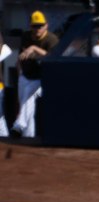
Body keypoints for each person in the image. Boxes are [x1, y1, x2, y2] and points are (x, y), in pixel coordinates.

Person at [11, 11, 59, 139]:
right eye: (35, 26)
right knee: (27, 106)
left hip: (42, 79)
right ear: (30, 26)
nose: (38, 28)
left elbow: (54, 58)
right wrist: (19, 71)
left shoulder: (51, 39)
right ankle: (28, 137)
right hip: (26, 75)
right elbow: (21, 56)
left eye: (40, 25)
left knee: (28, 96)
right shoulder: (26, 36)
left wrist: (34, 48)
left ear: (46, 25)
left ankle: (18, 126)